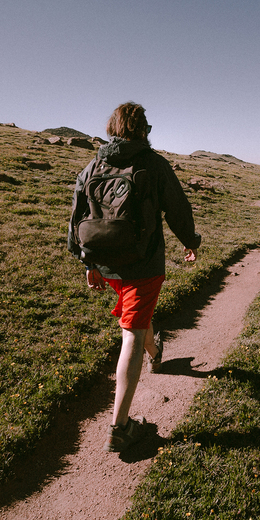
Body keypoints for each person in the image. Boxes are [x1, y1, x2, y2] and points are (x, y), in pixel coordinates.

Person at [67, 102, 201, 452]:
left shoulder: (92, 165)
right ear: (144, 129)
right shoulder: (153, 164)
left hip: (108, 265)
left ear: (112, 127)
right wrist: (190, 242)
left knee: (138, 319)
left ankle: (156, 352)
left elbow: (76, 218)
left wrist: (88, 263)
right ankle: (120, 427)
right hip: (143, 263)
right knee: (131, 335)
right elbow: (177, 208)